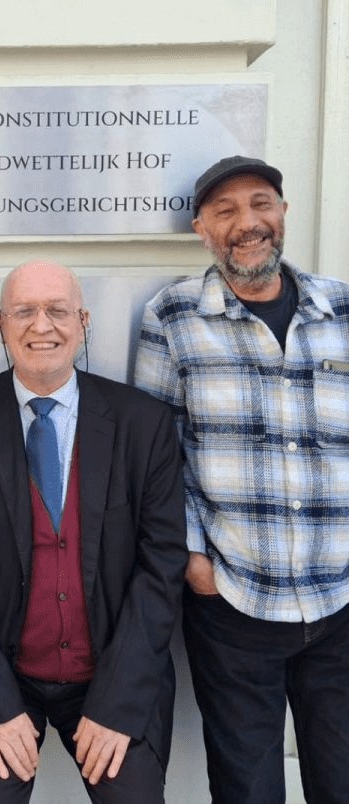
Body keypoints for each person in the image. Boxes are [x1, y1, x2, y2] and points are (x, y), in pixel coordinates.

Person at [135, 155, 349, 804]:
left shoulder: (341, 307)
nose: (246, 223)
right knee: (247, 788)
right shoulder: (172, 316)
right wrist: (195, 559)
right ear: (202, 228)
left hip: (339, 596)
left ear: (282, 213)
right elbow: (155, 454)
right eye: (225, 211)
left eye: (261, 203)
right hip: (234, 602)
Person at [0, 260, 188, 803]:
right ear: (0, 323)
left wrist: (118, 704)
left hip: (112, 673)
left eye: (57, 310)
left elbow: (162, 568)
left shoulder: (143, 425)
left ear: (84, 320)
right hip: (2, 677)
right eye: (24, 311)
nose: (41, 326)